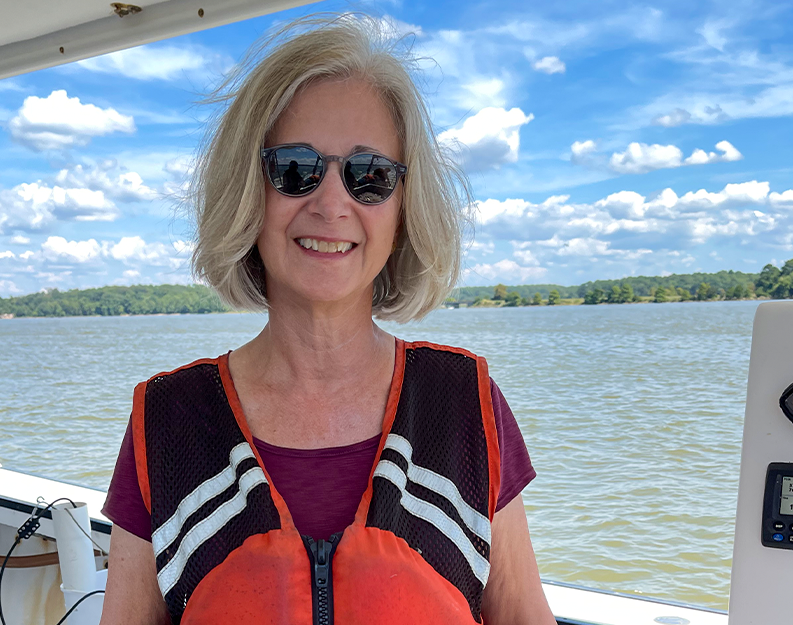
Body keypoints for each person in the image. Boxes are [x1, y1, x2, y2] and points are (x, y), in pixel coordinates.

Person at [100, 14, 557, 625]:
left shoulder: (467, 405)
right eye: (295, 169)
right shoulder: (166, 422)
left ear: (402, 206)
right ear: (249, 190)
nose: (332, 203)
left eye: (370, 176)